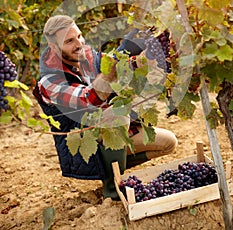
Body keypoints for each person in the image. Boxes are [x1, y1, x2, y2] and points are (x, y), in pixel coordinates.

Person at [33, 15, 178, 200]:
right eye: (69, 41)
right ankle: (113, 188)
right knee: (119, 116)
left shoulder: (85, 55)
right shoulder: (50, 81)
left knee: (168, 142)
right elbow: (90, 99)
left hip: (106, 129)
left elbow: (117, 65)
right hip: (82, 142)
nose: (79, 43)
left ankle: (115, 167)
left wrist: (139, 59)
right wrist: (119, 56)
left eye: (79, 36)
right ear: (54, 47)